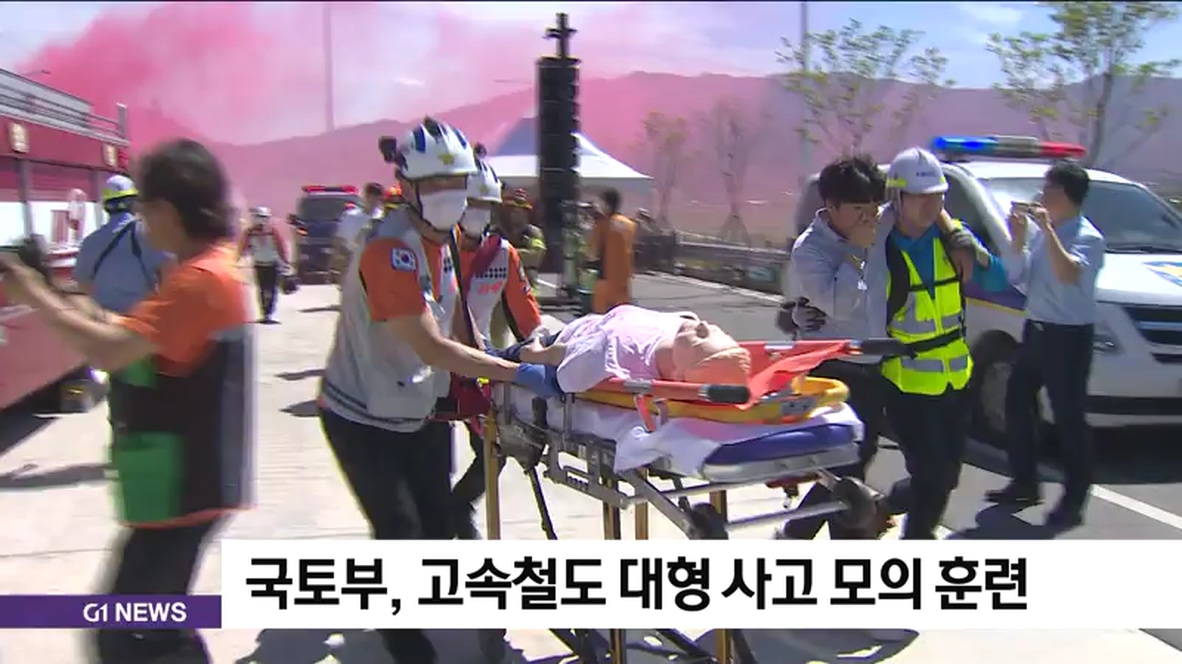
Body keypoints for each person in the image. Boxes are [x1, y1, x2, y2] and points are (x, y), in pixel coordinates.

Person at [319, 117, 562, 664]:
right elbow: (431, 345)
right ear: (406, 186)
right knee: (399, 529)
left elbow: (457, 323)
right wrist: (513, 372)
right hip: (360, 416)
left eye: (457, 183)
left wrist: (500, 363)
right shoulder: (390, 250)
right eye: (435, 184)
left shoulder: (445, 241)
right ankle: (405, 643)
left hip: (416, 409)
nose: (449, 195)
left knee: (434, 528)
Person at [0, 138, 252, 664]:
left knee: (130, 632)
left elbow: (111, 349)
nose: (142, 220)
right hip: (180, 484)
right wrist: (50, 290)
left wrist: (35, 297)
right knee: (153, 626)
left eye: (146, 207)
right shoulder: (201, 270)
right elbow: (128, 329)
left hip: (185, 486)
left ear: (168, 210)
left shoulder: (201, 280)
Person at [862, 147, 1010, 539]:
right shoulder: (877, 245)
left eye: (938, 196)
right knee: (931, 474)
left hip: (955, 380)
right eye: (921, 196)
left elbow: (998, 280)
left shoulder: (951, 237)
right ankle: (917, 539)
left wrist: (971, 248)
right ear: (898, 197)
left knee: (946, 477)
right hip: (906, 384)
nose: (932, 205)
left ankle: (885, 507)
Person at [779, 154, 895, 539]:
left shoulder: (879, 225)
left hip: (873, 361)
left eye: (873, 208)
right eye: (859, 209)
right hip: (833, 366)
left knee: (856, 461)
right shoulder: (810, 249)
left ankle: (794, 536)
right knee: (846, 464)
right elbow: (839, 305)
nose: (869, 218)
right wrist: (857, 252)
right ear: (832, 206)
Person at [985, 161, 1105, 530]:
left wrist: (1047, 231)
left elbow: (1068, 274)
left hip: (1068, 337)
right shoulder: (1042, 235)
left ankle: (1074, 498)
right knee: (1016, 401)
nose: (1042, 196)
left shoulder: (1088, 237)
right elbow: (1019, 277)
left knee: (1068, 417)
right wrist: (1018, 239)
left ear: (1066, 195)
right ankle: (1024, 482)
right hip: (1036, 331)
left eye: (1049, 189)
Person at [450, 146, 545, 539]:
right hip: (427, 365)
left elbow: (527, 315)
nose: (478, 212)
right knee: (428, 463)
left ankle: (457, 511)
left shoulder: (503, 255)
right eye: (471, 203)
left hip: (476, 366)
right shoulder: (434, 249)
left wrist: (542, 350)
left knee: (493, 451)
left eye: (485, 205)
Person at [508, 304, 750, 393]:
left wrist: (536, 349)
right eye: (716, 330)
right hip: (592, 325)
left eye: (701, 338)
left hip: (563, 341)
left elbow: (561, 356)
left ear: (678, 375)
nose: (703, 324)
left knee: (500, 357)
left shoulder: (614, 353)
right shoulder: (684, 322)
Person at [73, 174, 172, 314]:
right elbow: (169, 275)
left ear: (105, 206)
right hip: (141, 320)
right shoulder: (150, 235)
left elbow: (83, 284)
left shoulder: (89, 242)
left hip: (104, 321)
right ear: (134, 203)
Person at [488, 188, 546, 345]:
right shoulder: (495, 231)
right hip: (499, 292)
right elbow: (489, 256)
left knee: (529, 335)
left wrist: (506, 253)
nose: (517, 213)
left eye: (521, 210)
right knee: (497, 336)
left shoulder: (533, 233)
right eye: (513, 209)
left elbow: (536, 255)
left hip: (527, 290)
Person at [587, 187, 637, 314]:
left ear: (606, 204)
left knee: (601, 317)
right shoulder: (629, 224)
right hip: (623, 281)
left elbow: (592, 254)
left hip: (606, 278)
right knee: (621, 316)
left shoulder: (603, 224)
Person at [237, 206, 290, 324]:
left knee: (272, 289)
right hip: (259, 264)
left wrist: (285, 262)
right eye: (259, 217)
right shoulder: (249, 233)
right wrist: (237, 260)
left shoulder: (273, 232)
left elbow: (281, 247)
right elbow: (243, 248)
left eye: (264, 217)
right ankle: (264, 313)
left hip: (273, 264)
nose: (262, 220)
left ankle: (269, 312)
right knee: (262, 289)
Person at [330, 182, 384, 282]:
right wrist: (336, 264)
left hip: (376, 263)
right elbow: (339, 240)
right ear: (364, 196)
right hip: (352, 261)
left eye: (376, 196)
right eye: (369, 196)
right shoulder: (350, 216)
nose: (372, 200)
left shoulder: (383, 218)